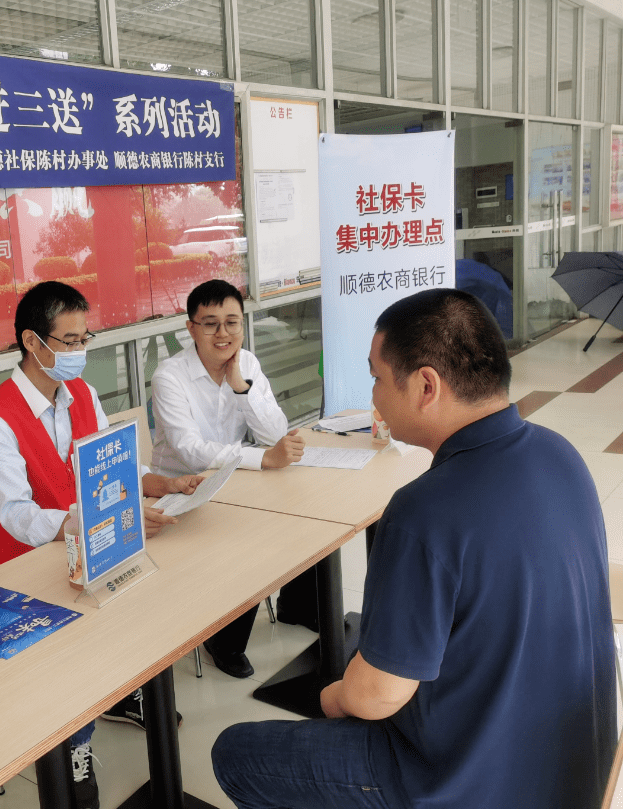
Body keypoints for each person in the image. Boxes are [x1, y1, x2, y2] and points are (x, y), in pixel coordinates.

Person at [211, 288, 615, 809]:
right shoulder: (562, 455)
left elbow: (375, 697)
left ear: (426, 386)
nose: (374, 397)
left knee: (235, 753)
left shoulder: (424, 510)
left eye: (377, 378)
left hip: (460, 782)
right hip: (573, 768)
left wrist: (333, 695)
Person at [0, 280, 203, 809]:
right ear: (32, 342)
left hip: (84, 545)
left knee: (152, 594)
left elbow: (110, 468)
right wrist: (94, 520)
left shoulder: (82, 395)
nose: (80, 352)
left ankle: (119, 693)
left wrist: (159, 483)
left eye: (84, 339)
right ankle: (74, 747)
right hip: (21, 565)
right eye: (70, 341)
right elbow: (17, 516)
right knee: (70, 650)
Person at [149, 279, 305, 677]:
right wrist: (263, 459)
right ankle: (224, 640)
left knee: (302, 517)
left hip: (234, 482)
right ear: (191, 328)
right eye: (210, 324)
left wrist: (240, 387)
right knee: (249, 539)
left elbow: (276, 432)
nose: (223, 334)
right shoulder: (169, 376)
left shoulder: (245, 364)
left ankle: (302, 607)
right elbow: (189, 450)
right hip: (180, 491)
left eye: (232, 322)